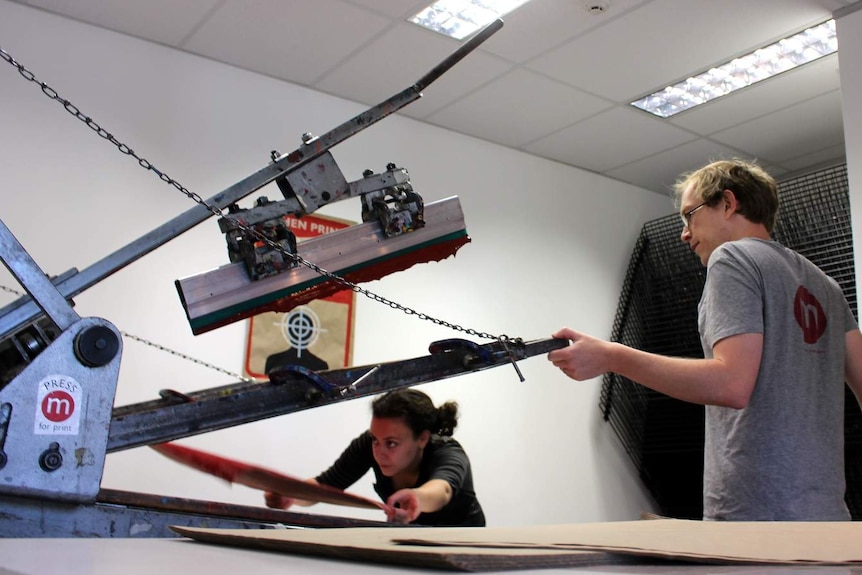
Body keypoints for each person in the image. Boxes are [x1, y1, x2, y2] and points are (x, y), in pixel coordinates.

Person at [548, 158, 862, 521]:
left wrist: (613, 357)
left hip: (756, 518)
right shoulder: (825, 285)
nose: (685, 232)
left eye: (690, 215)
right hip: (827, 517)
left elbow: (731, 384)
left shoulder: (733, 257)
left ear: (728, 203)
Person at [265, 387, 486, 526]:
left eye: (392, 443)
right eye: (375, 439)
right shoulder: (369, 445)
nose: (379, 451)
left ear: (422, 439)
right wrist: (292, 495)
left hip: (464, 542)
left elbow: (443, 490)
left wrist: (416, 498)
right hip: (412, 539)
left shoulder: (448, 452)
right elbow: (326, 486)